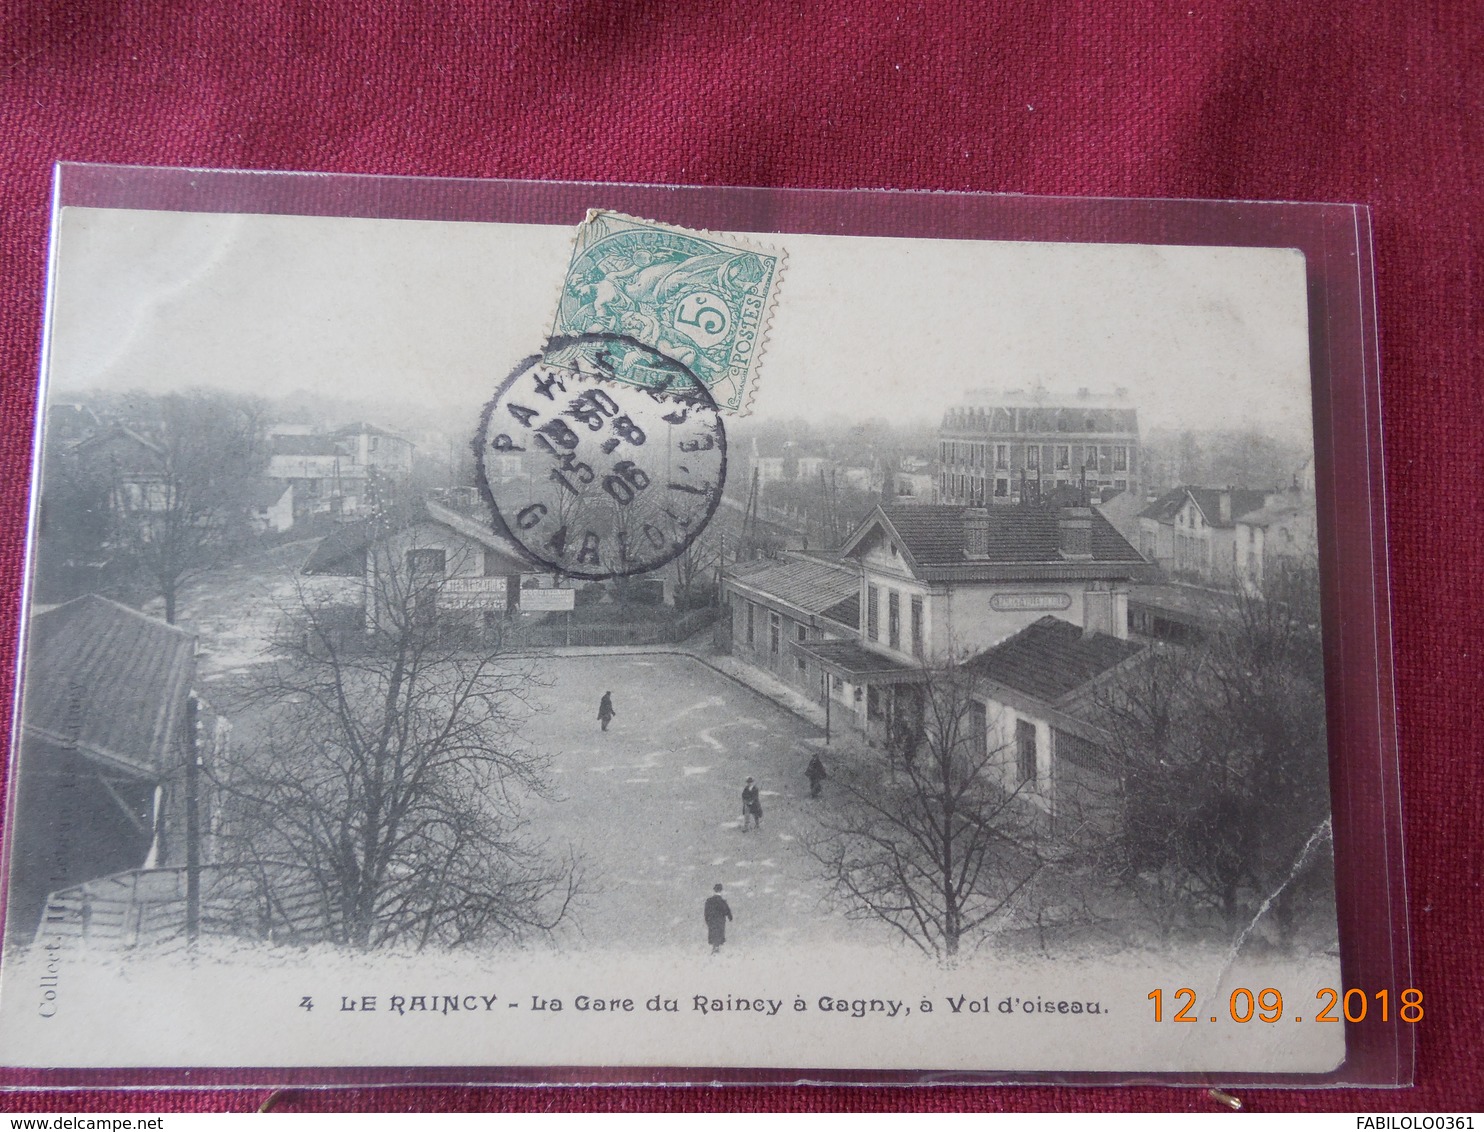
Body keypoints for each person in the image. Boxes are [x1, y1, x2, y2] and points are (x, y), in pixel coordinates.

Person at [703, 883, 732, 954]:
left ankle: (715, 948)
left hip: (712, 921)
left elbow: (706, 912)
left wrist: (707, 920)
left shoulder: (709, 901)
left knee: (713, 934)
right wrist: (729, 917)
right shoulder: (722, 901)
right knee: (719, 934)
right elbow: (726, 911)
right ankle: (716, 949)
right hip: (720, 921)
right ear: (721, 891)